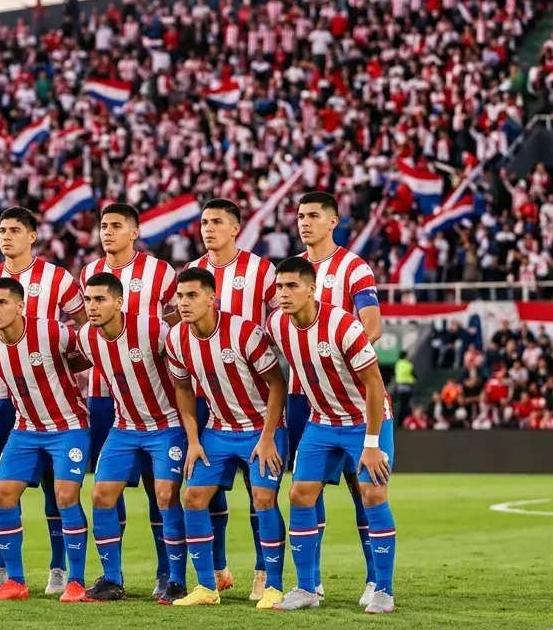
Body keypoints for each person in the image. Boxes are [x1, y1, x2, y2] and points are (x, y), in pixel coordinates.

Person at [267, 257, 396, 614]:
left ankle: (384, 590)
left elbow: (374, 386)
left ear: (312, 289)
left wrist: (370, 446)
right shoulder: (277, 324)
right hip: (322, 421)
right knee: (300, 493)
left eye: (292, 286)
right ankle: (307, 587)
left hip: (366, 420)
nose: (284, 294)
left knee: (372, 494)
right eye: (279, 287)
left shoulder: (343, 326)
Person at [0, 206, 86, 595]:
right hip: (9, 402)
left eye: (15, 230)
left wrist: (60, 368)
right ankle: (7, 572)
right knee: (3, 490)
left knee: (61, 490)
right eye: (2, 230)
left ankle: (62, 569)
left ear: (32, 236)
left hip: (59, 406)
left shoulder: (58, 278)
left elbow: (85, 334)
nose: (6, 237)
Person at [166, 267, 288, 608]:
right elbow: (182, 387)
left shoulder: (244, 333)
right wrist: (193, 440)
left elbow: (278, 383)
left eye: (192, 296)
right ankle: (207, 587)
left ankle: (273, 586)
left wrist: (267, 437)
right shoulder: (176, 338)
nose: (185, 303)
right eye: (180, 296)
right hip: (218, 430)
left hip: (261, 429)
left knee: (263, 499)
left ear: (211, 298)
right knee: (193, 498)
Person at [79, 203, 178, 598]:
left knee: (163, 495)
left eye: (116, 226)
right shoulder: (89, 274)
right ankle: (112, 577)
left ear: (134, 232)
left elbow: (181, 316)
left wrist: (146, 339)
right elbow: (79, 340)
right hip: (111, 400)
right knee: (105, 493)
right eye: (103, 226)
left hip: (160, 401)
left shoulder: (160, 272)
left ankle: (169, 574)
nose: (107, 232)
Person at [183, 198, 279, 599]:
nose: (209, 229)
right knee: (205, 493)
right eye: (204, 222)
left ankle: (264, 572)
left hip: (258, 394)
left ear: (236, 228)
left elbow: (281, 319)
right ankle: (216, 572)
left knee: (261, 494)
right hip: (212, 402)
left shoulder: (261, 270)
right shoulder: (193, 274)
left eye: (217, 222)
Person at [292, 190, 384, 605]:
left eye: (313, 215)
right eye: (300, 216)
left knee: (359, 488)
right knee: (304, 490)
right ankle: (312, 582)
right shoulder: (291, 272)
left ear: (333, 222)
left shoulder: (353, 268)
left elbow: (372, 325)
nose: (304, 222)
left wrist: (336, 355)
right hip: (304, 399)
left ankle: (374, 580)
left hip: (350, 396)